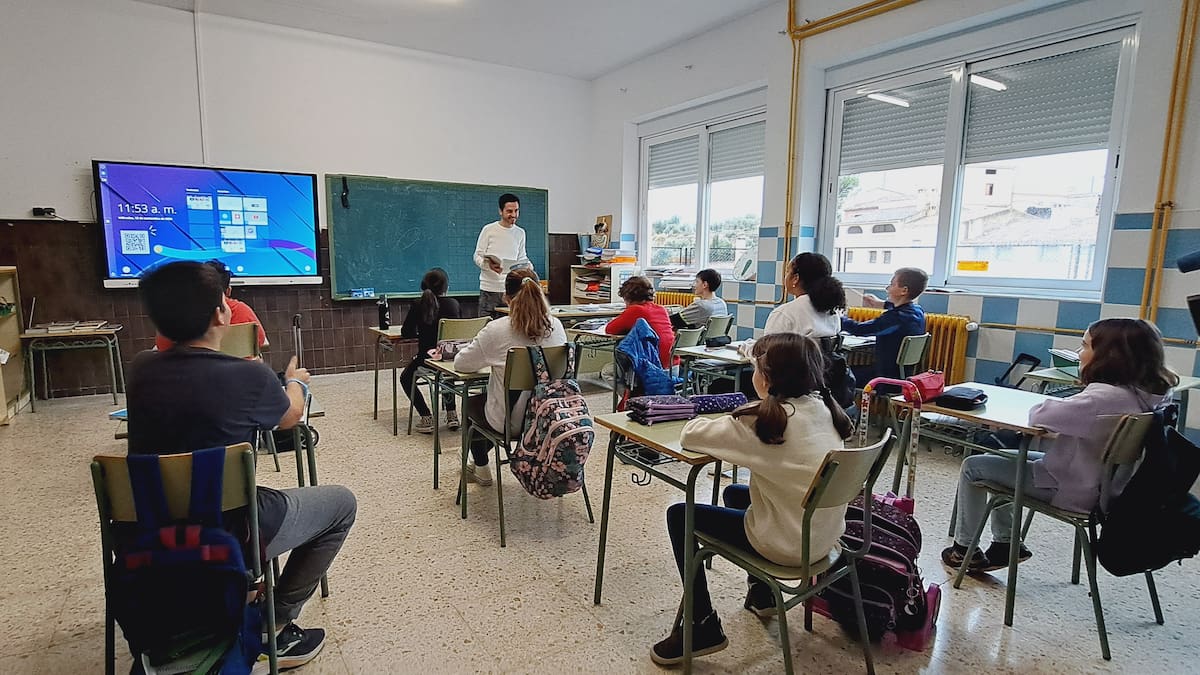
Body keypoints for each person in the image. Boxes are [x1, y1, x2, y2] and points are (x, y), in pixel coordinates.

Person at [128, 261, 356, 671]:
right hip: (234, 528)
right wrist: (296, 382)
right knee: (342, 504)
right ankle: (277, 623)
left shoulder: (140, 371)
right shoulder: (249, 376)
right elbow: (290, 417)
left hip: (148, 528)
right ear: (221, 313)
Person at [649, 333, 855, 665]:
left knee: (678, 514)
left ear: (768, 377)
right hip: (826, 539)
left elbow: (692, 434)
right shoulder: (825, 410)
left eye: (756, 367)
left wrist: (738, 413)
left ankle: (702, 624)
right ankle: (761, 592)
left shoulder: (765, 423)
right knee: (734, 493)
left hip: (786, 546)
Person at [942, 318, 1177, 572]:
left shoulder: (1103, 397)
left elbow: (1040, 416)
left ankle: (965, 550)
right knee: (1007, 457)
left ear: (1109, 355)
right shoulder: (1150, 396)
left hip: (1072, 487)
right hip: (1103, 485)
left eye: (1085, 346)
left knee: (973, 466)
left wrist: (1081, 393)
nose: (1079, 353)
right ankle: (1005, 544)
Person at [453, 269, 566, 486]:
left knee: (472, 402)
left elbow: (461, 364)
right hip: (551, 419)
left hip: (512, 424)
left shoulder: (496, 330)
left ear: (506, 298)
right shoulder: (557, 326)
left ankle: (482, 467)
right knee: (491, 404)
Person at [154, 259, 268, 352]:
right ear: (228, 291)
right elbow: (261, 343)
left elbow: (162, 347)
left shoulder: (178, 312)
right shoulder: (242, 310)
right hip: (242, 375)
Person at [400, 268, 462, 433]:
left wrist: (421, 332)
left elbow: (406, 333)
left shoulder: (418, 304)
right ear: (445, 287)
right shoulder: (454, 304)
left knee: (405, 378)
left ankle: (426, 417)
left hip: (427, 360)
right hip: (451, 360)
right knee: (446, 370)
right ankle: (452, 415)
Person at [840, 266, 927, 380]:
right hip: (903, 375)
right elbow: (898, 308)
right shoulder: (917, 311)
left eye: (891, 284)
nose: (888, 288)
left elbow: (859, 329)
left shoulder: (895, 318)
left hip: (886, 378)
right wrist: (879, 303)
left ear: (904, 290)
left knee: (839, 376)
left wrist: (839, 317)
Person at [473, 193, 531, 318]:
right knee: (486, 327)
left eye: (516, 210)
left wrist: (528, 266)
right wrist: (488, 265)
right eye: (509, 211)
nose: (514, 215)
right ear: (500, 211)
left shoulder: (520, 233)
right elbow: (477, 256)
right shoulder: (489, 230)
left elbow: (521, 257)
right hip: (489, 289)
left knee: (509, 329)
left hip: (511, 290)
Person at [764, 253, 844, 337]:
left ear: (795, 278)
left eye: (787, 271)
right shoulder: (833, 313)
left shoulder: (784, 314)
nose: (785, 276)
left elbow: (769, 349)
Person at [605, 276, 675, 368]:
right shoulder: (662, 309)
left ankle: (633, 382)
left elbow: (610, 329)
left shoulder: (635, 310)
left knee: (607, 371)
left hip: (652, 367)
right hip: (673, 365)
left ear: (627, 297)